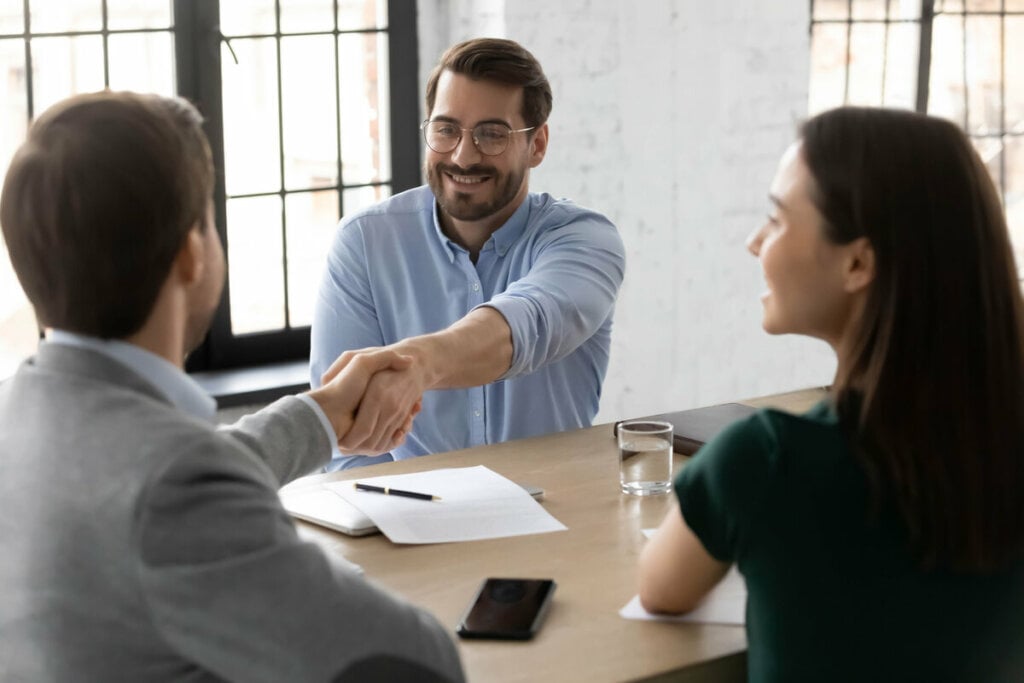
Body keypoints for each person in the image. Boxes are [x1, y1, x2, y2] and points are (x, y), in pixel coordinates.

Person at [0, 91, 464, 682]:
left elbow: (145, 477)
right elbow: (415, 663)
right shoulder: (176, 490)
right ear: (192, 254)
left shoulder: (20, 415)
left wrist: (321, 415)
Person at [638, 107, 1024, 681]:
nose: (753, 243)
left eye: (776, 219)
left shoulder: (767, 458)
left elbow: (660, 590)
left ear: (858, 261)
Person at [311, 37, 626, 469]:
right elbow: (348, 443)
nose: (463, 155)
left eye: (491, 134)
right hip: (412, 517)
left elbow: (527, 324)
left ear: (537, 145)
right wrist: (381, 525)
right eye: (446, 129)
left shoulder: (585, 240)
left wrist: (419, 365)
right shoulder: (365, 243)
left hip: (559, 518)